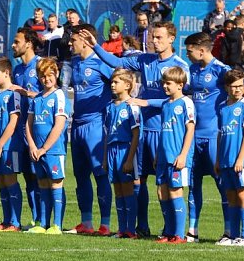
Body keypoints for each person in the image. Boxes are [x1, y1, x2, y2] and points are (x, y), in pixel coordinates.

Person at [85, 21, 190, 238]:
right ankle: (140, 227)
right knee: (138, 180)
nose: (154, 41)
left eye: (159, 37)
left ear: (171, 39)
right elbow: (117, 61)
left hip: (165, 132)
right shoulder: (145, 59)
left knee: (168, 184)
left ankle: (172, 230)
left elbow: (180, 100)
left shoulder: (179, 66)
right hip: (143, 130)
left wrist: (146, 102)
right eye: (153, 37)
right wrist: (96, 46)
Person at [184, 32, 232, 242]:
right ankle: (192, 230)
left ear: (201, 50)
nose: (187, 55)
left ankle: (229, 230)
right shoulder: (193, 70)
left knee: (222, 184)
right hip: (194, 136)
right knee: (193, 184)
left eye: (189, 51)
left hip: (214, 136)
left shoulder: (221, 70)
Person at [69, 24, 115, 236]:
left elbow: (121, 84)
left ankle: (104, 224)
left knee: (100, 174)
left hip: (96, 125)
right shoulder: (75, 62)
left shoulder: (101, 63)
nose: (70, 43)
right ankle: (86, 222)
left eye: (74, 40)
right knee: (80, 176)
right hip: (76, 125)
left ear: (86, 40)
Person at [25, 58, 69, 234]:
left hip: (53, 150)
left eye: (50, 75)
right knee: (42, 185)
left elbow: (59, 125)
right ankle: (43, 223)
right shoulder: (36, 99)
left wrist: (44, 148)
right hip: (37, 151)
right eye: (43, 76)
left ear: (57, 74)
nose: (46, 79)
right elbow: (28, 124)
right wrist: (33, 146)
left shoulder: (59, 96)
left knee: (56, 184)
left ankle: (56, 225)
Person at [215, 69, 244, 247]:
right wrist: (218, 158)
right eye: (234, 86)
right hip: (225, 159)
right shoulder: (223, 107)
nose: (238, 89)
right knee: (230, 195)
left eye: (241, 85)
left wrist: (241, 158)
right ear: (227, 87)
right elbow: (220, 134)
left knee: (242, 193)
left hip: (241, 161)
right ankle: (233, 235)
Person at [155, 66, 196, 244]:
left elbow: (190, 129)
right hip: (164, 156)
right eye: (164, 83)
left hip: (178, 156)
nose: (165, 86)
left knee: (175, 191)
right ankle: (168, 231)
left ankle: (179, 234)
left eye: (168, 83)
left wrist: (184, 154)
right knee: (161, 191)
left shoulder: (186, 103)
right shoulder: (165, 104)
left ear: (180, 85)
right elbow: (163, 131)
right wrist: (158, 153)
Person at [11, 28, 43, 229]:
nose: (13, 45)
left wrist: (27, 93)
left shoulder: (41, 65)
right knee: (28, 177)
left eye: (17, 41)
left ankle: (45, 219)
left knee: (41, 177)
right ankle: (34, 218)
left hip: (37, 130)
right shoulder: (16, 69)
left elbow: (52, 93)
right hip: (20, 129)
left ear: (28, 43)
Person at [102, 68, 141, 238]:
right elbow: (107, 134)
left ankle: (131, 230)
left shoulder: (132, 106)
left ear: (127, 85)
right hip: (111, 150)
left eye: (116, 82)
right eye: (112, 81)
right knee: (117, 190)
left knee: (127, 189)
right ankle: (121, 228)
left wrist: (129, 159)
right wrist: (104, 159)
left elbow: (136, 134)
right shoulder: (110, 107)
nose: (112, 84)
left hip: (125, 150)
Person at [0, 57, 23, 232]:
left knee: (10, 180)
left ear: (7, 73)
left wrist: (0, 144)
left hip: (10, 147)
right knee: (1, 181)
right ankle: (6, 220)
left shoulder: (13, 94)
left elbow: (13, 122)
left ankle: (15, 223)